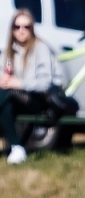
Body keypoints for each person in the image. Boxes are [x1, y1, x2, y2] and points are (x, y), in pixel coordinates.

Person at [0, 9, 64, 165]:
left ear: (32, 29)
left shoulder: (40, 48)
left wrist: (18, 83)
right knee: (6, 105)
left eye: (26, 27)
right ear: (12, 29)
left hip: (39, 99)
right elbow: (5, 71)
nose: (21, 31)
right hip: (14, 97)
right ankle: (17, 148)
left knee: (5, 96)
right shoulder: (8, 51)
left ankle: (16, 147)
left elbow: (45, 83)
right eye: (17, 27)